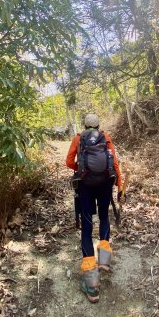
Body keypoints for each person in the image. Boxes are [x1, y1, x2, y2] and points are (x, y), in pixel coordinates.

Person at [66, 113, 124, 302]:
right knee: (104, 217)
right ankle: (105, 260)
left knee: (87, 224)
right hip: (105, 183)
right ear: (98, 125)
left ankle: (92, 285)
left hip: (85, 186)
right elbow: (114, 163)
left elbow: (68, 162)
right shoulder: (106, 137)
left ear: (84, 126)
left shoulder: (78, 138)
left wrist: (82, 168)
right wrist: (120, 186)